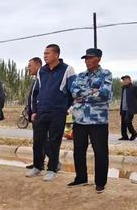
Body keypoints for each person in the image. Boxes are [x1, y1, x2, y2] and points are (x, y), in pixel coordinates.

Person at [26, 44, 75, 181]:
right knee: (38, 140)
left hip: (58, 112)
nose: (45, 56)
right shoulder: (42, 71)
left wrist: (67, 109)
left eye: (48, 53)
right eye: (44, 53)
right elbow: (36, 92)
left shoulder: (67, 70)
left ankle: (52, 169)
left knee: (54, 141)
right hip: (42, 111)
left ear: (56, 55)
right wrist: (35, 110)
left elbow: (73, 92)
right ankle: (37, 166)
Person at [69, 49, 113, 193]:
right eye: (85, 58)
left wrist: (84, 95)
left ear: (98, 59)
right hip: (80, 119)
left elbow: (104, 94)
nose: (87, 61)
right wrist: (92, 91)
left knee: (100, 152)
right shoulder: (80, 75)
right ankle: (81, 178)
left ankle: (100, 182)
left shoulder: (106, 74)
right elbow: (74, 92)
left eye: (90, 58)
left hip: (98, 121)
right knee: (78, 151)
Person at [119, 75, 137, 141]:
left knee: (127, 121)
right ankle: (124, 136)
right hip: (123, 108)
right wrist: (121, 109)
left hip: (130, 109)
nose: (125, 81)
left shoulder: (134, 88)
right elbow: (122, 100)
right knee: (123, 122)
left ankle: (134, 133)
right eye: (123, 80)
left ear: (130, 80)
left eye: (126, 79)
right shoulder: (123, 88)